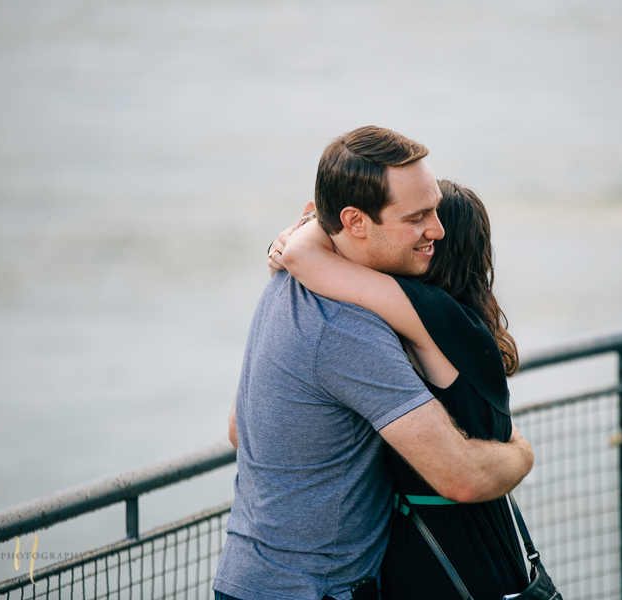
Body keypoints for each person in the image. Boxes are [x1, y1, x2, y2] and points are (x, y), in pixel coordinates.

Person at [214, 126, 534, 600]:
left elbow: (240, 431)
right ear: (356, 221)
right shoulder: (347, 327)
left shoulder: (285, 286)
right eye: (417, 216)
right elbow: (461, 476)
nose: (436, 229)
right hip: (315, 590)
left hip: (248, 576)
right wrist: (521, 452)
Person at [276, 180, 544, 599]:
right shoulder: (468, 328)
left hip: (448, 566)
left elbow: (301, 257)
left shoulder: (431, 314)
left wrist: (311, 222)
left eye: (427, 221)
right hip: (487, 551)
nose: (421, 229)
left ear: (439, 245)